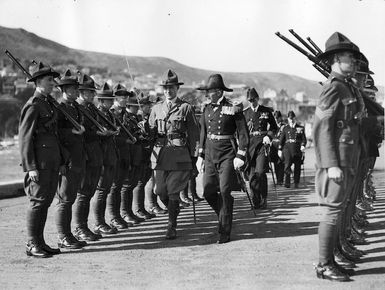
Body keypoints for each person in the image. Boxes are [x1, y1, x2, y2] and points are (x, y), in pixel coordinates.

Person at [313, 32, 363, 281]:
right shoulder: (333, 88)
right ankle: (323, 264)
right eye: (348, 57)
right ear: (335, 59)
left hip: (348, 160)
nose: (353, 62)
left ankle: (331, 259)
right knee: (332, 212)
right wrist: (331, 164)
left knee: (339, 209)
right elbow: (322, 128)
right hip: (337, 164)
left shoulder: (347, 86)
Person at [196, 74, 249, 243]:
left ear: (219, 92)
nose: (207, 94)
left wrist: (241, 154)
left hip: (227, 154)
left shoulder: (233, 107)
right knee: (208, 191)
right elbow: (203, 133)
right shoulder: (207, 108)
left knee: (225, 190)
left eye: (210, 91)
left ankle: (224, 231)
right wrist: (201, 156)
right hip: (211, 154)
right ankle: (224, 211)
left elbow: (243, 133)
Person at [19, 62, 64, 257]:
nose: (53, 83)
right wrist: (30, 167)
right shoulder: (33, 105)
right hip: (39, 164)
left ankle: (40, 242)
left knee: (44, 202)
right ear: (38, 81)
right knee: (37, 202)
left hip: (51, 162)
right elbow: (25, 138)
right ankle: (31, 243)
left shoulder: (47, 103)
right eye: (49, 80)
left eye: (53, 79)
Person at [149, 69, 200, 239]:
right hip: (160, 154)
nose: (168, 91)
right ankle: (174, 208)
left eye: (171, 87)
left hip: (180, 155)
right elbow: (150, 132)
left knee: (172, 191)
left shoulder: (185, 108)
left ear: (177, 89)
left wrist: (194, 160)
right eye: (165, 88)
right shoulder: (156, 108)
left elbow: (194, 135)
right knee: (159, 191)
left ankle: (171, 226)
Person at [56, 69, 87, 249]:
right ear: (64, 90)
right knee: (65, 199)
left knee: (71, 198)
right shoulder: (59, 108)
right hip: (67, 159)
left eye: (77, 89)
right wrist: (71, 132)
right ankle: (63, 236)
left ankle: (69, 234)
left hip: (78, 158)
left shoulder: (75, 108)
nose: (76, 92)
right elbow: (55, 133)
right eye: (73, 89)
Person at [73, 73, 105, 241]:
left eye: (93, 92)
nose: (92, 95)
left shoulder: (90, 108)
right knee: (83, 193)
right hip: (85, 154)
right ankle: (80, 228)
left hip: (95, 154)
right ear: (81, 92)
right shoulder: (77, 108)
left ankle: (84, 226)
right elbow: (82, 132)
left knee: (90, 192)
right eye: (89, 92)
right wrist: (97, 132)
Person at [243, 88, 277, 208]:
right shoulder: (245, 113)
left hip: (262, 144)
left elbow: (274, 127)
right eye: (250, 100)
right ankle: (255, 200)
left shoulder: (266, 111)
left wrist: (269, 136)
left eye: (253, 99)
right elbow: (241, 132)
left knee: (261, 172)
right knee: (252, 176)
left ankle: (264, 198)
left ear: (258, 99)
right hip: (250, 145)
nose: (252, 102)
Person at [92, 83, 119, 235]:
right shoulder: (97, 114)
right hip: (102, 156)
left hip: (110, 156)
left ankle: (102, 221)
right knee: (101, 191)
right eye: (108, 100)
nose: (111, 102)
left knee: (106, 190)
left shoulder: (108, 114)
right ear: (101, 101)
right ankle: (98, 223)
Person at [108, 83, 135, 229]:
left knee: (124, 185)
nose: (124, 99)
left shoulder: (126, 114)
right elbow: (111, 136)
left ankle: (122, 214)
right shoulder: (111, 114)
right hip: (116, 153)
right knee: (115, 187)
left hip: (126, 153)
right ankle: (114, 217)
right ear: (115, 98)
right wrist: (125, 140)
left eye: (125, 96)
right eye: (121, 97)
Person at [278, 111, 306, 188]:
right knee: (287, 165)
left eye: (293, 118)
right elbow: (281, 140)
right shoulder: (285, 128)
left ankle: (296, 182)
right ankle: (287, 182)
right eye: (290, 118)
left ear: (294, 118)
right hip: (287, 149)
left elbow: (304, 139)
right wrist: (280, 149)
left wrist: (303, 145)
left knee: (297, 166)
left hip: (297, 148)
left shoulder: (300, 128)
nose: (291, 120)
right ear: (288, 119)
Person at [271, 110, 285, 185]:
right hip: (273, 146)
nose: (276, 119)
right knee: (275, 163)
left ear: (280, 118)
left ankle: (281, 179)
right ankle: (278, 179)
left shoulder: (284, 126)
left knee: (281, 163)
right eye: (275, 118)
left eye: (277, 118)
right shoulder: (271, 126)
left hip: (281, 146)